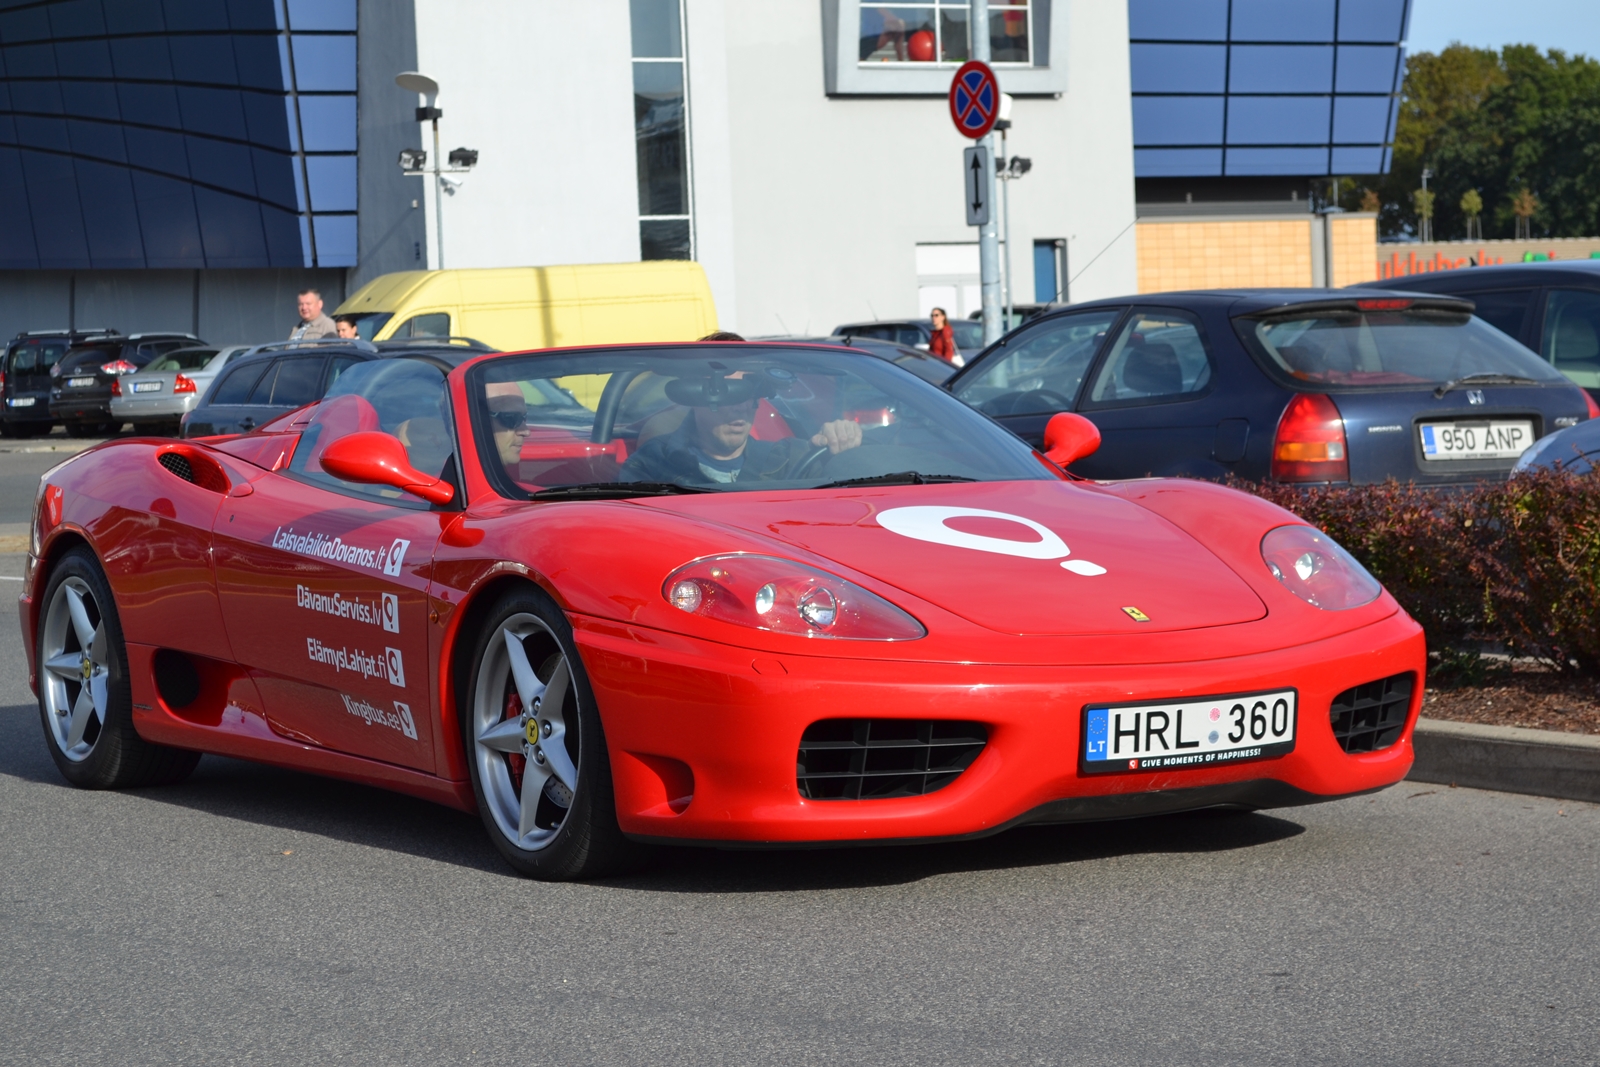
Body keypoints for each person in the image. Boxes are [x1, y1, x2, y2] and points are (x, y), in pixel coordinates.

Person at [621, 370, 863, 485]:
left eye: (751, 392)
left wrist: (841, 443)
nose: (742, 407)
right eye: (728, 393)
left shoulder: (789, 459)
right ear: (696, 397)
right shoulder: (654, 464)